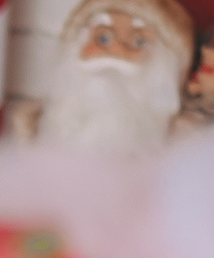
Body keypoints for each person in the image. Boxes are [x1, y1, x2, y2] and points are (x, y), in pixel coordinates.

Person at [15, 0, 195, 157]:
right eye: (103, 38)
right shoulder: (33, 128)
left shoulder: (183, 144)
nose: (116, 49)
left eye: (138, 42)